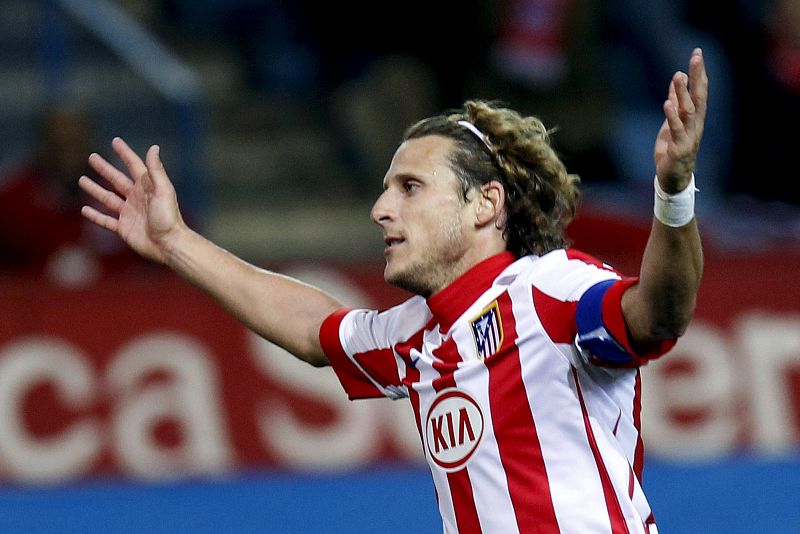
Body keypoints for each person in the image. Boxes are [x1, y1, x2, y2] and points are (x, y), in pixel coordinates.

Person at [78, 48, 707, 533]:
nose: (380, 210)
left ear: (486, 204)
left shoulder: (553, 290)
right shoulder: (414, 334)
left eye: (409, 188)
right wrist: (175, 242)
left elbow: (658, 314)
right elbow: (312, 331)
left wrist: (674, 194)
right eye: (384, 189)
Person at [0, 106, 146, 285]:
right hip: (38, 306)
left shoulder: (126, 194)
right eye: (59, 146)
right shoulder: (12, 201)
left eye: (75, 143)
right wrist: (40, 274)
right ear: (43, 146)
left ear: (89, 141)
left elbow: (161, 262)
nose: (68, 155)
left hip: (120, 304)